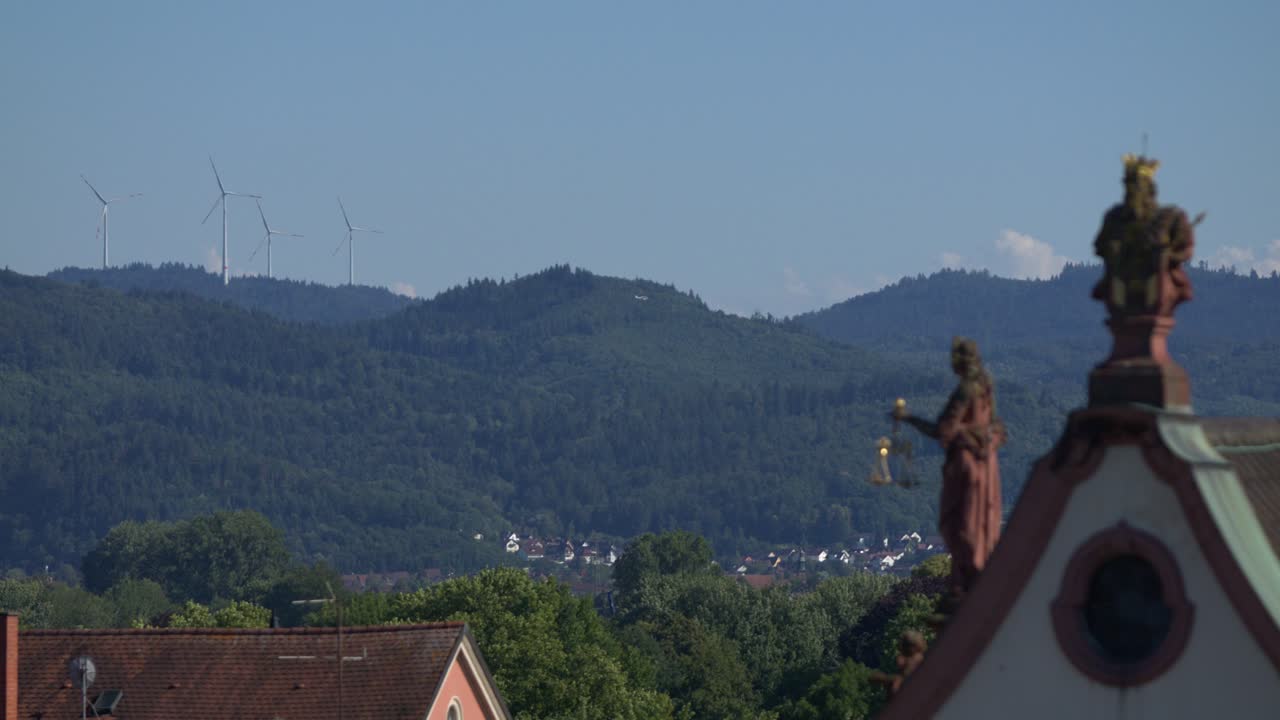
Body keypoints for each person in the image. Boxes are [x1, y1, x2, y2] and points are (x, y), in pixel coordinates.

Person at [894, 337, 1005, 603]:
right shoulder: (986, 388)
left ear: (959, 362)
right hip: (987, 467)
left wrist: (908, 418)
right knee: (982, 522)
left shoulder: (966, 390)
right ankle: (978, 573)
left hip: (966, 467)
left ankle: (967, 579)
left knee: (958, 524)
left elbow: (941, 430)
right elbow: (997, 428)